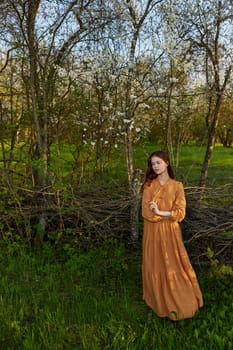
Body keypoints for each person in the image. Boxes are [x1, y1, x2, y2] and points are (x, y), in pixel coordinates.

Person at [141, 150, 203, 321]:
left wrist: (160, 211)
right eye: (153, 164)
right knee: (155, 264)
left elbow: (180, 213)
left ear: (166, 163)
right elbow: (146, 212)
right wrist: (164, 215)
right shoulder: (149, 186)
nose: (155, 166)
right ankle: (157, 300)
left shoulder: (177, 186)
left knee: (173, 263)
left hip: (170, 232)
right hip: (152, 233)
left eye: (158, 162)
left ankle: (181, 300)